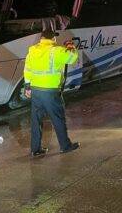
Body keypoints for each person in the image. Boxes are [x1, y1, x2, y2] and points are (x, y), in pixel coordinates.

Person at [24, 28, 80, 157]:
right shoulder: (57, 51)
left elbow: (27, 69)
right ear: (53, 38)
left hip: (36, 90)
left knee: (36, 121)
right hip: (50, 92)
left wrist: (27, 87)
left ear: (41, 38)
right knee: (58, 119)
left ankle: (35, 149)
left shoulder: (32, 50)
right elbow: (72, 58)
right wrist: (70, 45)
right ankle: (65, 146)